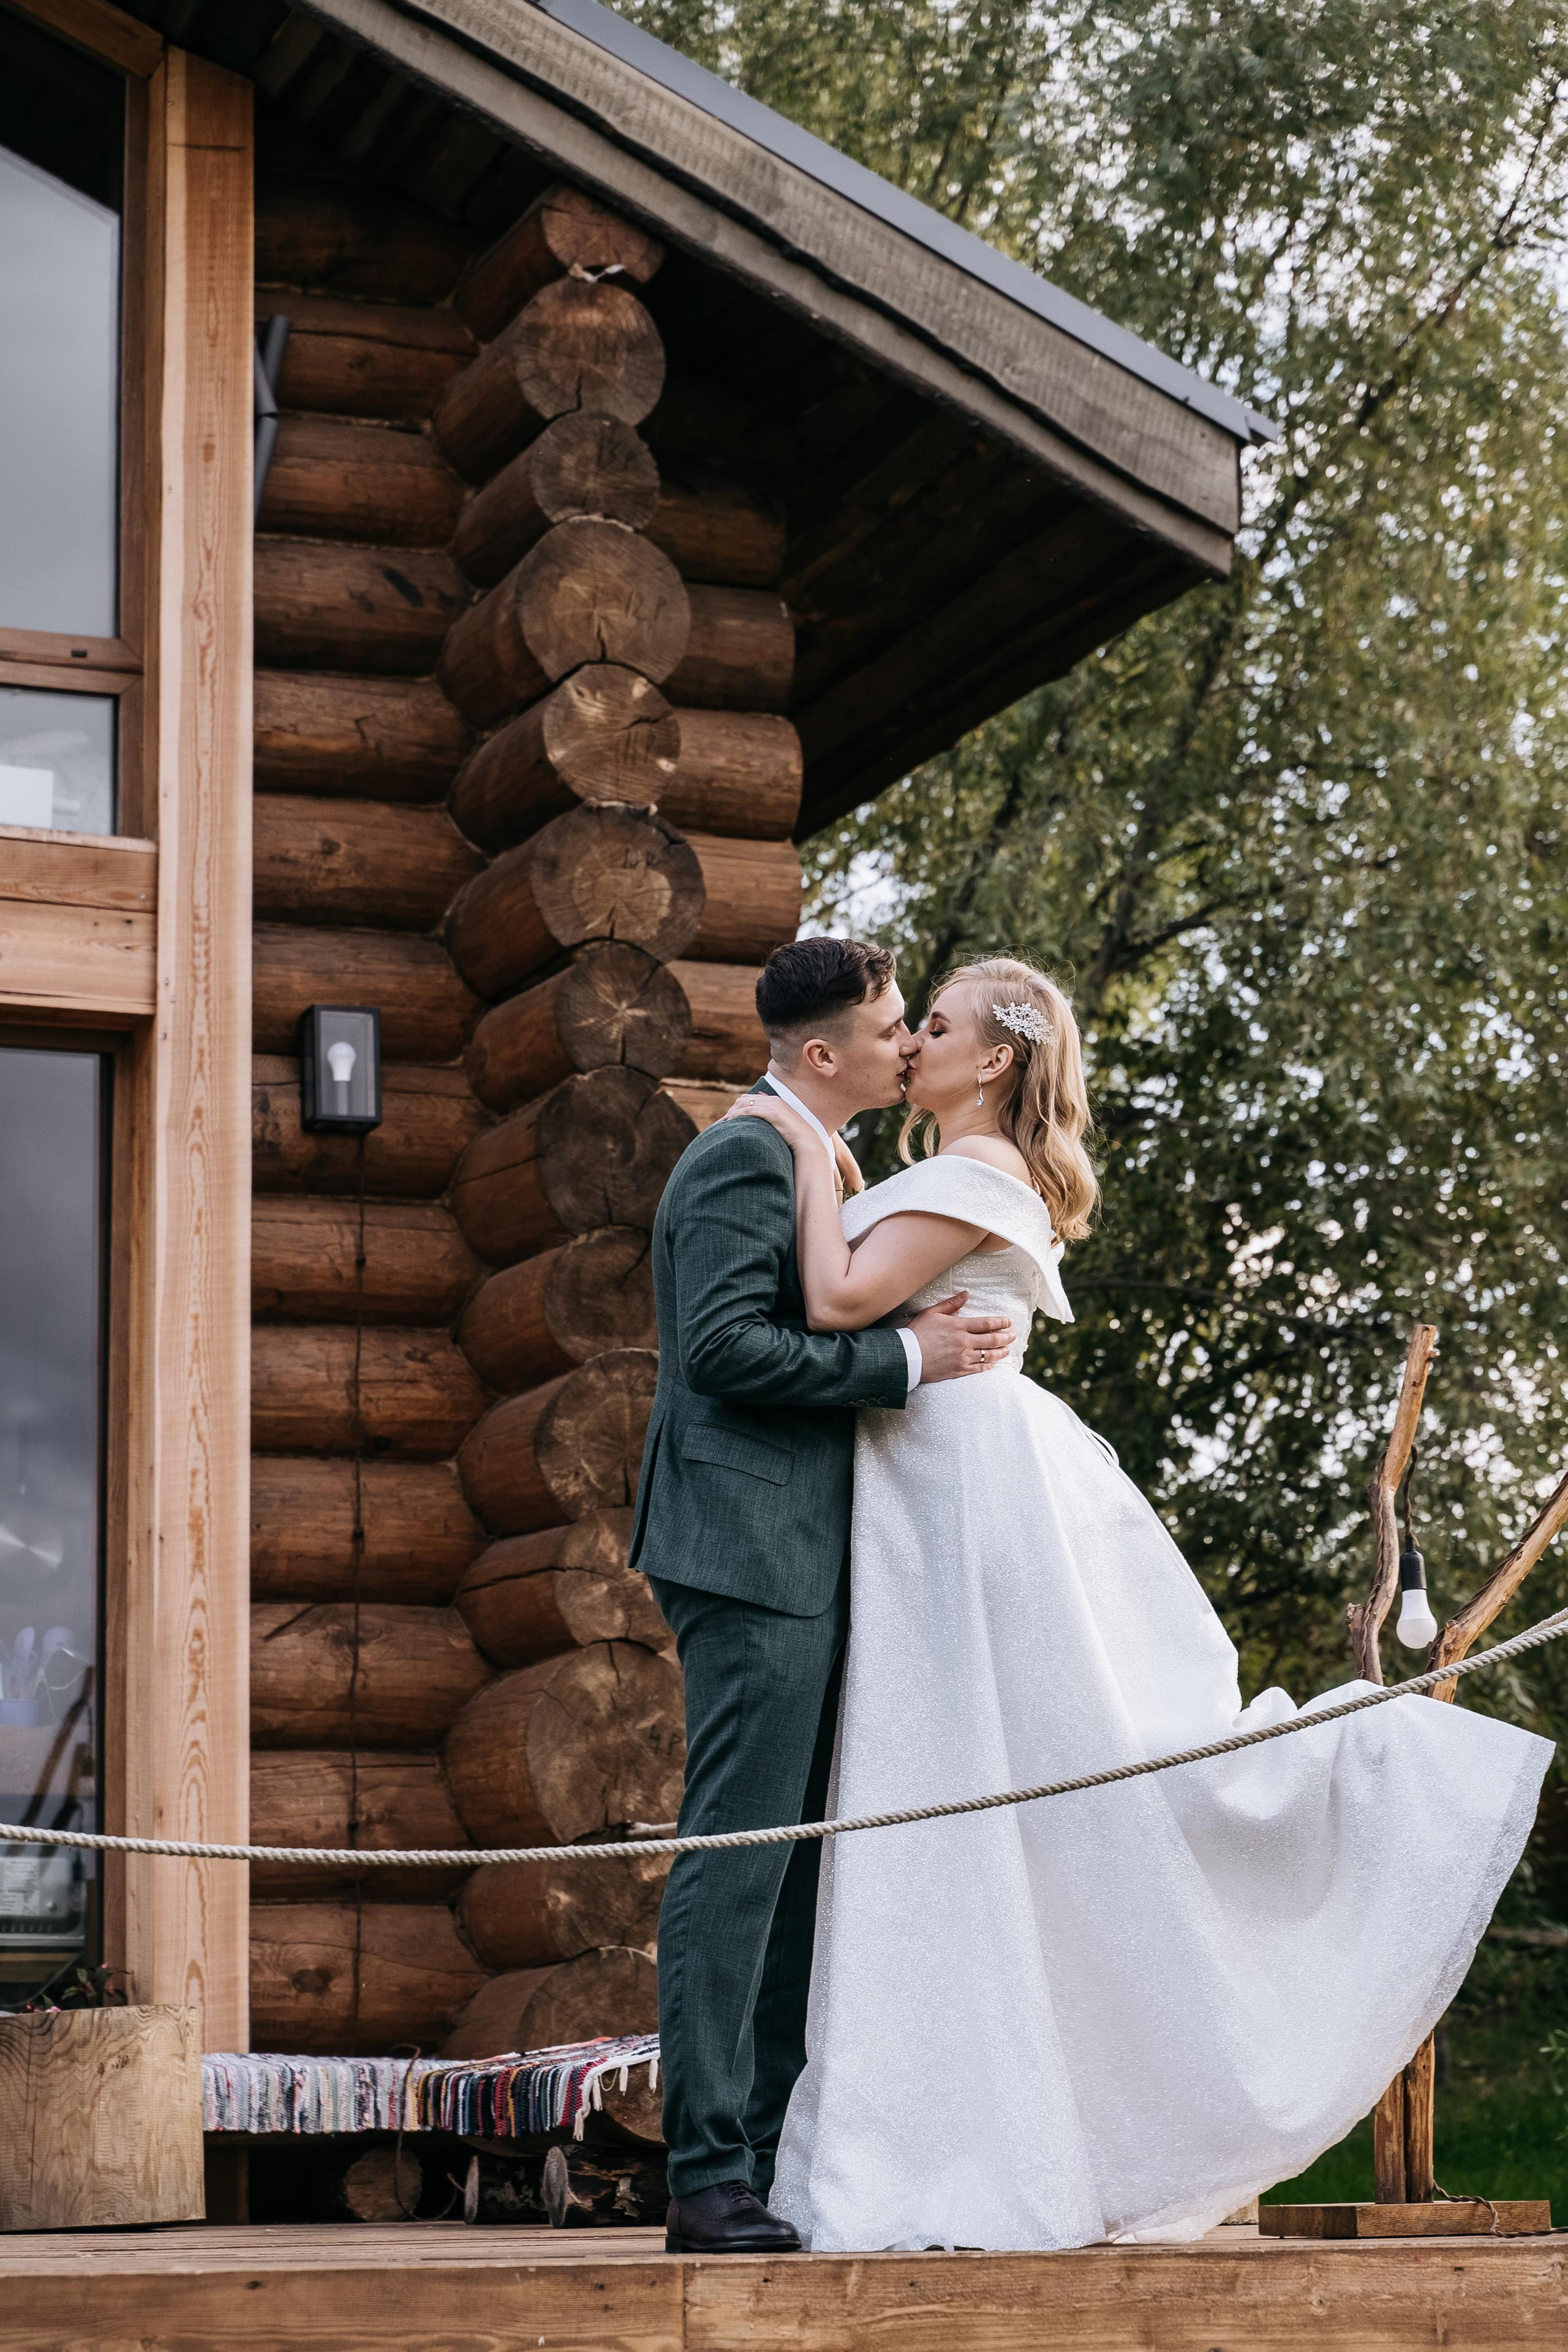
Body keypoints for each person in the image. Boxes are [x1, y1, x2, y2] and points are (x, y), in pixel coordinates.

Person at [723, 953, 1551, 2253]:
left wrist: (798, 1138)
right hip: (935, 1477)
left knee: (997, 1774)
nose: (910, 1042)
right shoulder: (956, 1170)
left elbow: (833, 1299)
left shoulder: (970, 1173)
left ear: (994, 1059)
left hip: (957, 1488)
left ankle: (1378, 1786)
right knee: (972, 1789)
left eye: (933, 1024)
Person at [630, 936, 1018, 2255]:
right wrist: (907, 1359)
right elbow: (725, 1349)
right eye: (891, 1027)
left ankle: (761, 2159)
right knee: (739, 1857)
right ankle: (705, 2180)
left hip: (807, 1545)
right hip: (748, 1546)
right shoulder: (746, 1152)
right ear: (821, 1052)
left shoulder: (821, 1155)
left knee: (791, 1867)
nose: (906, 1045)